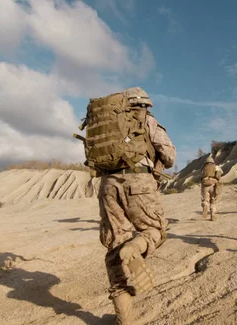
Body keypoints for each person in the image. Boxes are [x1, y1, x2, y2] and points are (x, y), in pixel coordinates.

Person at [96, 87, 176, 324]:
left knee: (114, 247)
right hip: (138, 180)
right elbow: (170, 156)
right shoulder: (146, 121)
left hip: (107, 185)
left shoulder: (106, 125)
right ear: (145, 105)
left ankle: (125, 319)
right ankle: (133, 249)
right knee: (155, 231)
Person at [200, 155, 222, 221]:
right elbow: (220, 174)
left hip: (205, 184)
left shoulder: (203, 168)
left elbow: (201, 176)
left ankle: (205, 206)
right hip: (213, 184)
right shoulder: (216, 167)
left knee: (205, 199)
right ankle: (213, 215)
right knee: (213, 200)